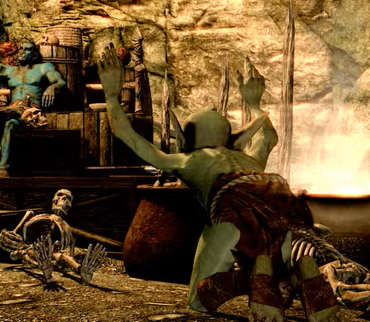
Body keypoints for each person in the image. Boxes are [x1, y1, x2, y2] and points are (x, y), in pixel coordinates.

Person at [97, 44, 341, 322]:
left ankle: (253, 277)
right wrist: (254, 105)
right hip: (280, 207)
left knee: (198, 300)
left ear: (186, 140)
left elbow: (126, 134)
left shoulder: (187, 160)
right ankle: (304, 275)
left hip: (232, 211)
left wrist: (111, 96)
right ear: (229, 139)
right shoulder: (247, 159)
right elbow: (268, 138)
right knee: (278, 258)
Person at [0, 41, 66, 177]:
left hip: (30, 112)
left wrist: (52, 87)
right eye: (20, 48)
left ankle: (3, 168)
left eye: (26, 49)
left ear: (34, 55)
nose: (22, 51)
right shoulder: (9, 70)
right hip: (11, 110)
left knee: (10, 124)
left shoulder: (43, 68)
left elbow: (61, 82)